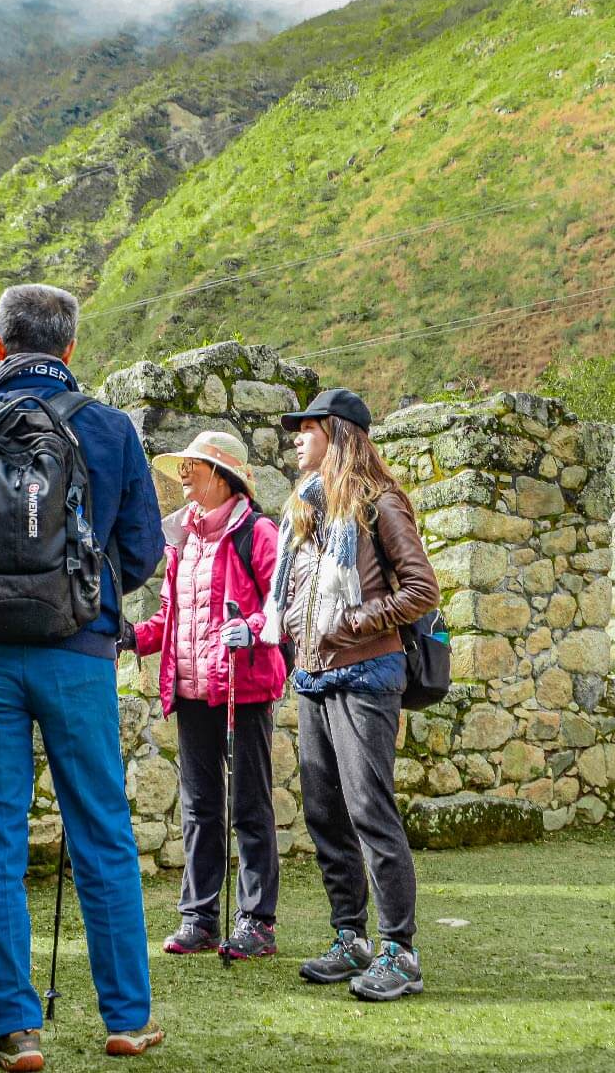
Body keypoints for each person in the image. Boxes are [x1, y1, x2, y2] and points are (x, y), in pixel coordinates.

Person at [0, 284, 166, 1070]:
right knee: (102, 830)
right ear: (69, 350)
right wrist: (85, 594)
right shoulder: (109, 427)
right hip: (79, 652)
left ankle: (14, 1029)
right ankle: (125, 1019)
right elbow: (146, 550)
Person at [258, 388, 439, 1003]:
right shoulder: (306, 511)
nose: (295, 440)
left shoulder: (380, 503)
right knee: (324, 813)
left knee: (370, 810)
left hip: (366, 673)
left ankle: (399, 951)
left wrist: (356, 622)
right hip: (314, 675)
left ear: (336, 433)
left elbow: (421, 590)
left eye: (305, 429)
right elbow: (298, 598)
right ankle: (350, 938)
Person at [125, 431, 286, 962]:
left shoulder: (257, 532)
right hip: (192, 690)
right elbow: (170, 618)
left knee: (250, 805)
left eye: (192, 466)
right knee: (199, 807)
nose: (184, 475)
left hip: (245, 690)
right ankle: (199, 918)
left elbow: (282, 604)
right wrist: (132, 637)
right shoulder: (185, 541)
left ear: (222, 474)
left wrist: (254, 625)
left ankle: (257, 921)